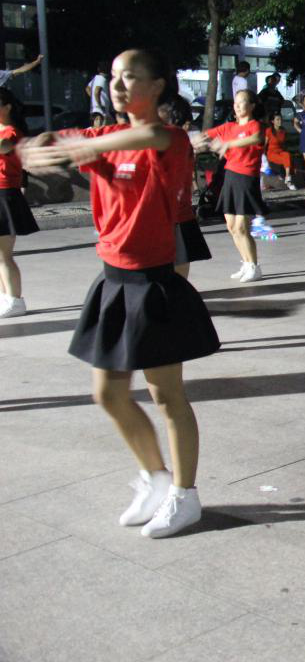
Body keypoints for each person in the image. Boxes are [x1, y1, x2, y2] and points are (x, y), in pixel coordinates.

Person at [20, 48, 220, 539]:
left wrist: (86, 148)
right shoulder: (104, 136)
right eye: (113, 77)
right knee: (107, 393)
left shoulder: (169, 139)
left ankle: (185, 496)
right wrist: (39, 147)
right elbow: (51, 139)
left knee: (166, 396)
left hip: (153, 282)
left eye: (130, 77)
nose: (118, 85)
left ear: (157, 86)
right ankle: (155, 479)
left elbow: (148, 134)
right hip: (112, 280)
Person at [196, 90, 268, 282]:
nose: (237, 105)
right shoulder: (228, 127)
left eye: (242, 102)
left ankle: (254, 266)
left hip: (246, 178)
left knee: (241, 227)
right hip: (230, 176)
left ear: (252, 106)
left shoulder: (255, 126)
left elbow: (256, 139)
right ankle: (246, 263)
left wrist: (228, 144)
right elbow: (205, 136)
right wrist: (197, 141)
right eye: (235, 102)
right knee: (231, 227)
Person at [160, 95, 211, 280]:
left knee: (178, 262)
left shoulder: (175, 138)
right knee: (176, 262)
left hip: (176, 212)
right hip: (171, 211)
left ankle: (178, 294)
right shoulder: (178, 139)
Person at [0, 87, 35, 318]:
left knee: (4, 254)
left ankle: (15, 300)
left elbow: (4, 147)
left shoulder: (12, 132)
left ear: (7, 106)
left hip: (5, 194)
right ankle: (6, 298)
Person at [264, 112, 295, 190]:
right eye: (277, 120)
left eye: (280, 119)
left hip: (281, 151)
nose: (280, 121)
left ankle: (288, 177)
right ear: (273, 121)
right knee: (286, 159)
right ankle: (288, 180)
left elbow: (285, 144)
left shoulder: (283, 131)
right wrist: (263, 155)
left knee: (287, 155)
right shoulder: (269, 131)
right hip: (272, 152)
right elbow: (265, 144)